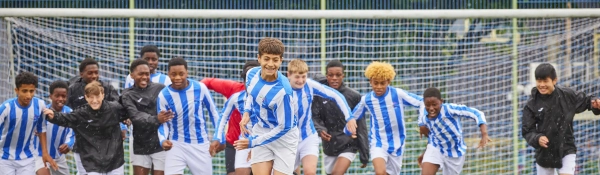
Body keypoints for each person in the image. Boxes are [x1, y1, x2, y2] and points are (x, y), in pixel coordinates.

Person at [345, 61, 423, 175]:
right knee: (380, 172)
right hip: (378, 143)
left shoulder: (398, 94)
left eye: (383, 83)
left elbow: (421, 101)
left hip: (398, 143)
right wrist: (348, 130)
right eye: (375, 83)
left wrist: (422, 122)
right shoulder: (367, 100)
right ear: (370, 81)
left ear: (389, 81)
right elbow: (352, 117)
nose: (379, 87)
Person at [522, 63, 600, 175]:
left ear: (554, 80)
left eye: (545, 81)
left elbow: (587, 101)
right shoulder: (531, 104)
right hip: (545, 152)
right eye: (539, 81)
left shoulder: (567, 95)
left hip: (566, 147)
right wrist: (537, 138)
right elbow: (527, 130)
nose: (542, 85)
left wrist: (595, 104)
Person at [234, 37, 298, 175]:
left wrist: (253, 142)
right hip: (261, 130)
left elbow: (284, 127)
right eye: (266, 59)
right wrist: (246, 113)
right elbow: (251, 95)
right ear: (259, 58)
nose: (270, 64)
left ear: (281, 60)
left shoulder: (283, 92)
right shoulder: (251, 74)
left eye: (275, 60)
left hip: (284, 138)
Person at [43, 81, 128, 174]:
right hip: (92, 161)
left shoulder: (114, 109)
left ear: (103, 95)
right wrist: (53, 116)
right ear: (86, 97)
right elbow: (66, 119)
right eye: (91, 97)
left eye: (97, 96)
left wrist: (127, 120)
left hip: (114, 160)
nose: (95, 101)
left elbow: (130, 112)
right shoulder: (81, 113)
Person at [285, 59, 352, 175]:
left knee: (310, 172)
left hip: (308, 138)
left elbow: (336, 95)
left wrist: (349, 118)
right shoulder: (281, 90)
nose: (301, 81)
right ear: (289, 75)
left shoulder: (310, 85)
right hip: (288, 139)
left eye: (303, 76)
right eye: (297, 77)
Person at [157, 57, 220, 175]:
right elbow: (163, 123)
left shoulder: (200, 88)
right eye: (173, 74)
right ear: (168, 75)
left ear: (187, 72)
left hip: (200, 144)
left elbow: (214, 113)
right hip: (176, 144)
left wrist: (218, 137)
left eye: (181, 74)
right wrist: (163, 140)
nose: (177, 78)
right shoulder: (163, 95)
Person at [311, 60, 369, 175]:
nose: (334, 78)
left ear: (343, 75)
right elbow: (315, 116)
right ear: (326, 76)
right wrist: (321, 130)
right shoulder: (319, 95)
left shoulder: (353, 96)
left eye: (338, 75)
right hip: (329, 145)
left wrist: (364, 154)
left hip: (349, 144)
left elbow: (361, 126)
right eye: (331, 75)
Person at [416, 87, 491, 175]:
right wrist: (426, 152)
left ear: (441, 101)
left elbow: (477, 113)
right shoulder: (424, 118)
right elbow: (434, 134)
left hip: (455, 152)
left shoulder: (450, 109)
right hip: (436, 148)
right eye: (428, 105)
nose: (431, 108)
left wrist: (484, 133)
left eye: (434, 104)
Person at [207, 60, 260, 175]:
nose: (251, 83)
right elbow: (223, 117)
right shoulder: (236, 98)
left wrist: (257, 144)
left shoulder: (271, 97)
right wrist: (217, 138)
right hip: (242, 142)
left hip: (265, 142)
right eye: (247, 79)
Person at [0, 72, 56, 175]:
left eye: (31, 91)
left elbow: (41, 129)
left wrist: (45, 153)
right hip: (5, 158)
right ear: (17, 90)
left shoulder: (40, 105)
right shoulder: (6, 107)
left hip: (28, 158)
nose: (28, 95)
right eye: (24, 91)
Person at [121, 59, 171, 175]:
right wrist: (156, 119)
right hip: (140, 142)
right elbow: (136, 116)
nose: (144, 77)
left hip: (160, 141)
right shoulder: (127, 95)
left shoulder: (160, 88)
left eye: (147, 74)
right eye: (140, 74)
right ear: (132, 75)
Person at [66, 57, 128, 141]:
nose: (94, 76)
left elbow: (118, 108)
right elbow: (67, 112)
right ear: (81, 74)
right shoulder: (73, 90)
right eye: (90, 73)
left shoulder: (107, 88)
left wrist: (122, 126)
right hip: (82, 139)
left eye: (96, 72)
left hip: (105, 137)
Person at [35, 80, 75, 175]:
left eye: (63, 96)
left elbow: (72, 133)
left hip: (59, 158)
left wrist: (68, 144)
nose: (60, 99)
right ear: (50, 96)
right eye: (57, 96)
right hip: (40, 156)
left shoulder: (70, 113)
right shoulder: (43, 112)